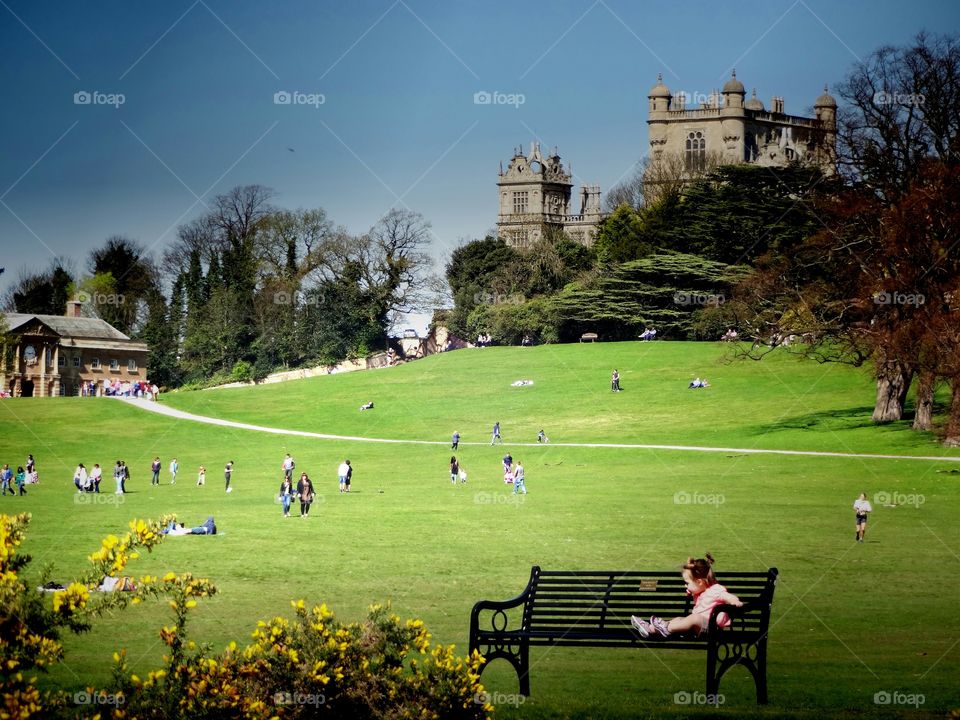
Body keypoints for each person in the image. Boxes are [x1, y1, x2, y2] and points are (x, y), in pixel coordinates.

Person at [632, 554, 743, 638]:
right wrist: (692, 591)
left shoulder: (715, 590)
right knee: (680, 619)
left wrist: (735, 601)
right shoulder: (700, 592)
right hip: (699, 627)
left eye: (688, 583)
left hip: (712, 629)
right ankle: (650, 629)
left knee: (693, 618)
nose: (686, 585)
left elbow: (727, 596)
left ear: (700, 582)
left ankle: (665, 627)